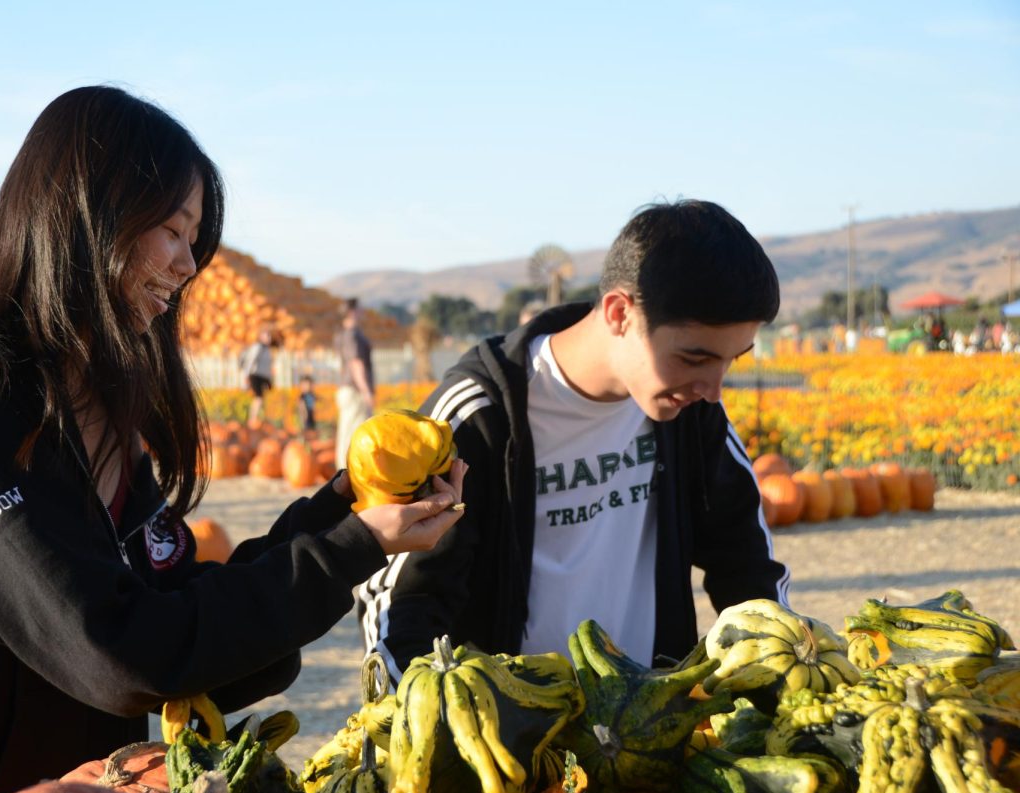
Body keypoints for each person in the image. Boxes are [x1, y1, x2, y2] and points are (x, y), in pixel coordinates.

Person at [0, 85, 466, 793]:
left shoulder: (96, 411)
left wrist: (342, 512)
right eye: (172, 228)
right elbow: (116, 650)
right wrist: (349, 547)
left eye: (194, 242)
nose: (188, 265)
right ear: (86, 215)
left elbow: (177, 623)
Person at [357, 199, 791, 683]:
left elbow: (746, 564)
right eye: (694, 358)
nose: (714, 388)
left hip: (645, 729)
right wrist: (429, 721)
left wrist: (781, 677)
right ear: (620, 313)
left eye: (732, 361)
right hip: (507, 738)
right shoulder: (478, 417)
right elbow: (403, 601)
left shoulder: (691, 411)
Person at [334, 297, 374, 468]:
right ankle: (347, 471)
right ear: (351, 312)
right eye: (359, 309)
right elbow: (356, 363)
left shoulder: (342, 334)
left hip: (346, 389)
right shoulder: (352, 334)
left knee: (346, 431)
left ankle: (344, 470)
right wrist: (366, 391)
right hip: (354, 389)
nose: (362, 312)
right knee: (354, 433)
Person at [240, 326, 275, 427]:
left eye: (269, 336)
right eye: (267, 335)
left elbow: (267, 366)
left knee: (263, 398)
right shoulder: (257, 347)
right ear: (261, 336)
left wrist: (269, 378)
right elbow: (250, 361)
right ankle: (252, 420)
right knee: (258, 397)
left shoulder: (267, 349)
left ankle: (260, 419)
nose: (269, 338)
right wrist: (246, 376)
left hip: (263, 377)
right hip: (255, 375)